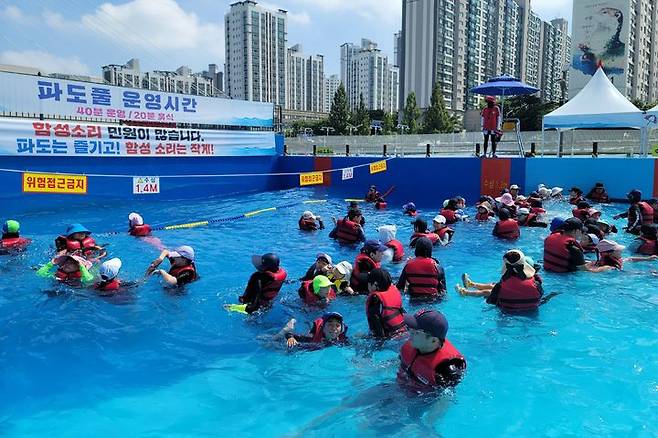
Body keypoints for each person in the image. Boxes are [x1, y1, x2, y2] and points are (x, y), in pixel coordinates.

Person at [397, 309, 466, 390]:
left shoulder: (445, 371)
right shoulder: (413, 346)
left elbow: (444, 399)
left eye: (416, 332)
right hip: (404, 385)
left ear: (433, 340)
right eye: (410, 328)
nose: (410, 333)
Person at [458, 250, 543, 312]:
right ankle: (472, 284)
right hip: (530, 310)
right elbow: (540, 294)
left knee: (488, 291)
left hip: (507, 311)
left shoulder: (504, 282)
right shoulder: (535, 281)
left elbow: (490, 301)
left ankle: (466, 292)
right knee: (494, 286)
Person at [365, 268, 406, 338]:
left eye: (368, 283)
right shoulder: (394, 290)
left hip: (390, 337)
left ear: (375, 284)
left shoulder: (375, 299)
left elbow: (376, 328)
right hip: (403, 331)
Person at [283, 312, 348, 350]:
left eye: (337, 325)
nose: (334, 328)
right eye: (330, 325)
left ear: (341, 329)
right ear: (323, 327)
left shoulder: (342, 339)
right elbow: (288, 334)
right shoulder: (311, 336)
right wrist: (290, 338)